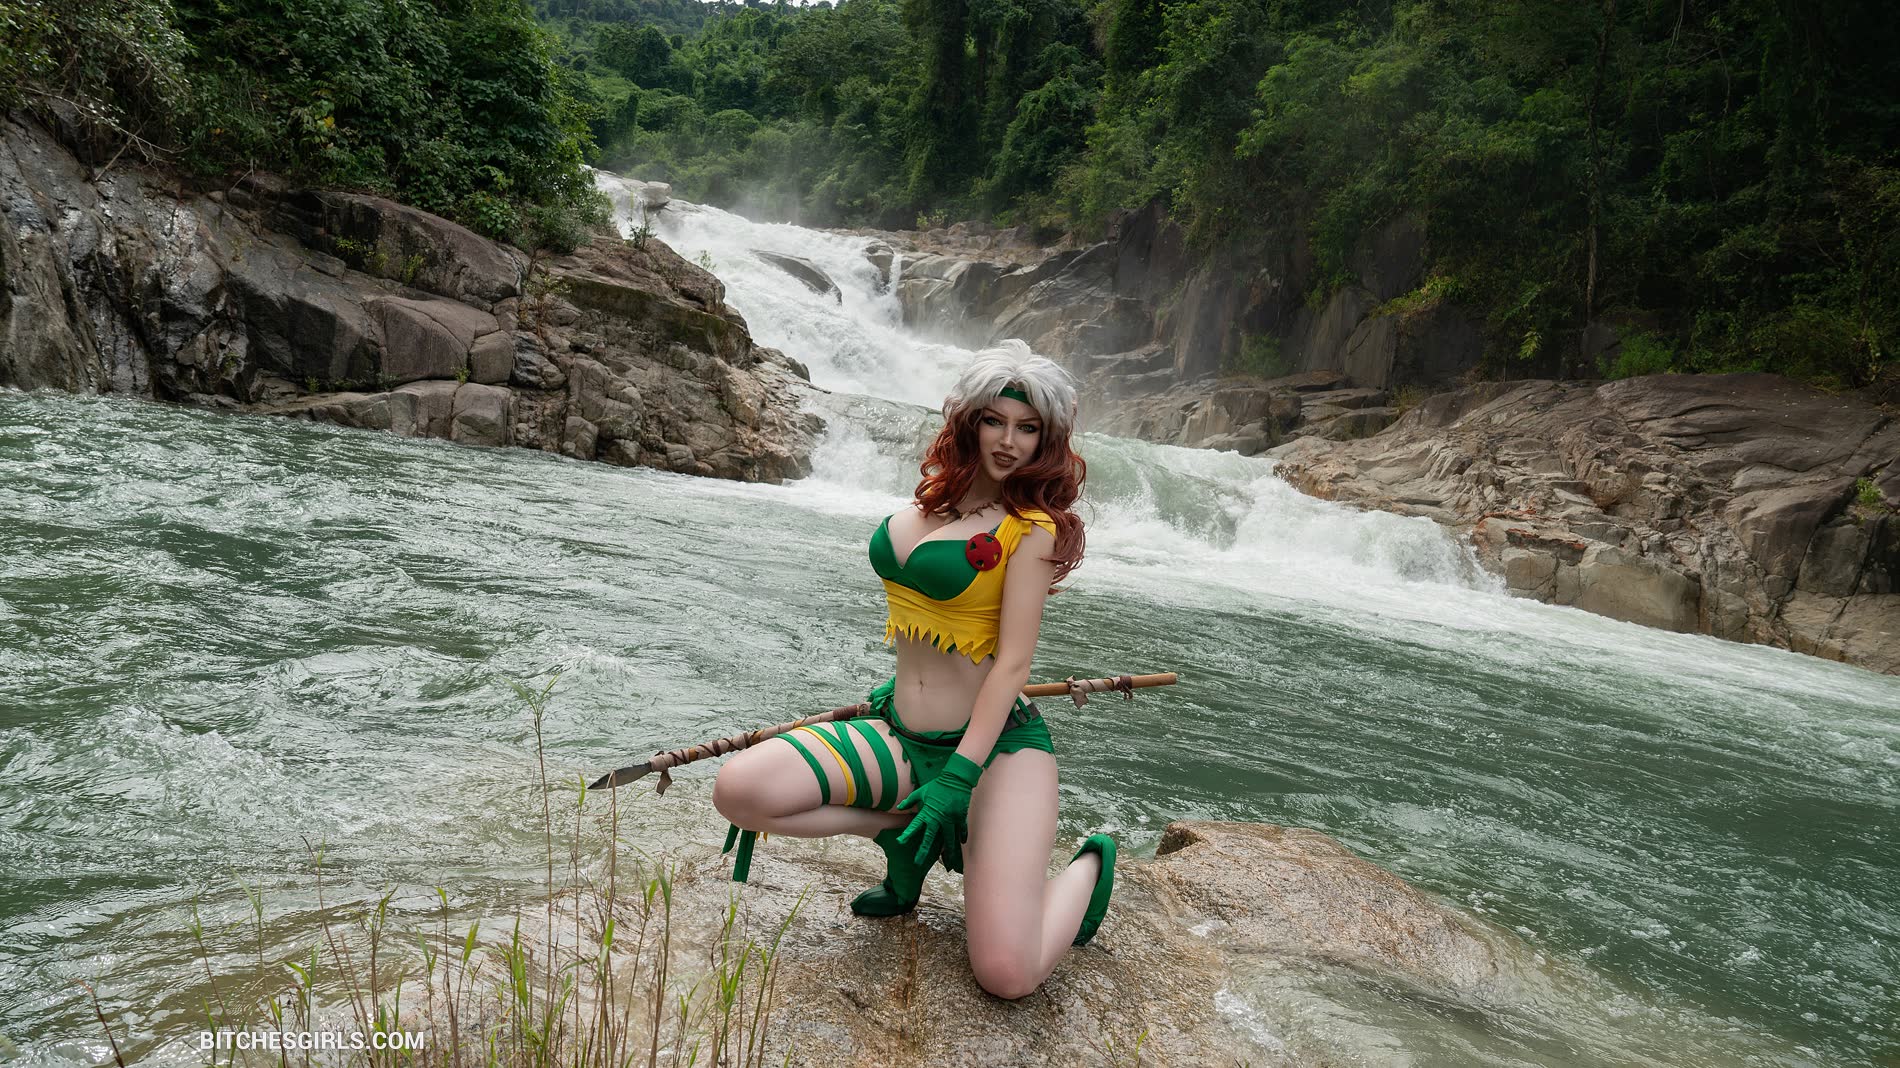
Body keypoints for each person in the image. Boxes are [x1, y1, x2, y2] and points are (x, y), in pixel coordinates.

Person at [712, 340, 1115, 999]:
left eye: (1027, 428)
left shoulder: (1030, 528)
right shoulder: (932, 501)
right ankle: (901, 834)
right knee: (741, 790)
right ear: (970, 421)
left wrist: (959, 777)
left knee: (1006, 975)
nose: (1008, 441)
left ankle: (1090, 867)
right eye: (995, 421)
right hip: (902, 736)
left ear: (1046, 440)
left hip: (996, 755)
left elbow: (1013, 663)